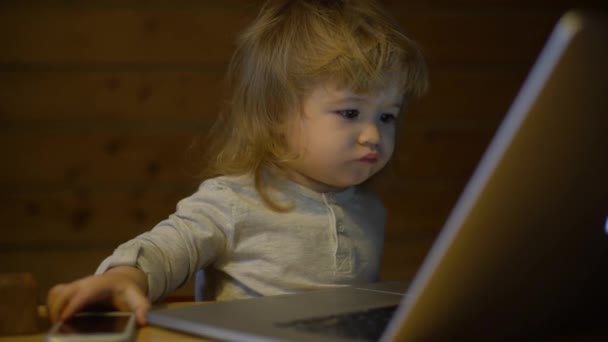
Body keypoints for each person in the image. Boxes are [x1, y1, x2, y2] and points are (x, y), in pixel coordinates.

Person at [47, 0, 428, 326]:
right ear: (278, 113)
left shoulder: (368, 207)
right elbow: (167, 248)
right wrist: (127, 276)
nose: (373, 136)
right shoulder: (234, 200)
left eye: (386, 117)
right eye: (349, 112)